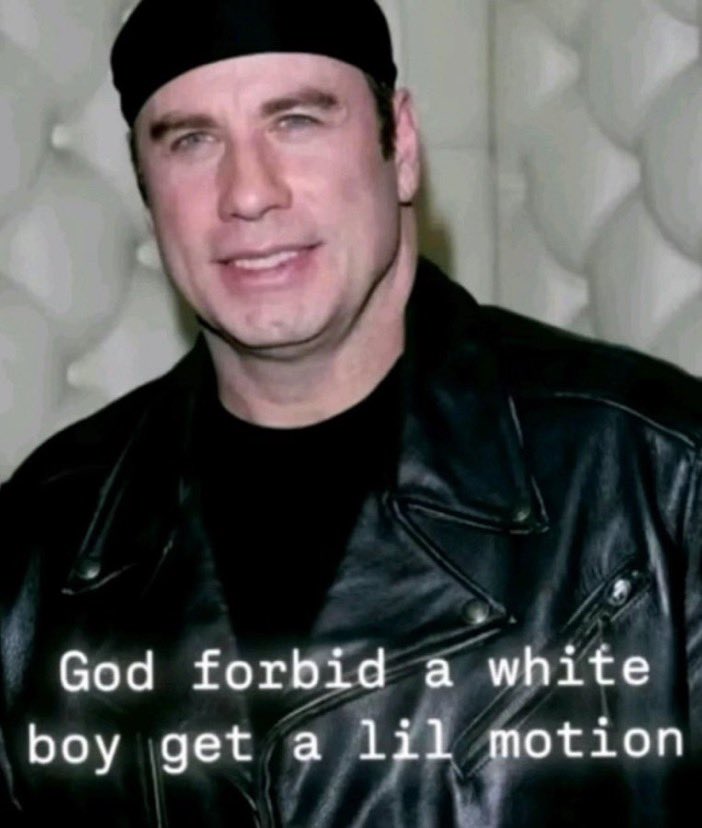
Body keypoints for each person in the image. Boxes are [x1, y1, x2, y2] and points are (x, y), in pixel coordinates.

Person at [1, 0, 701, 825]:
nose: (248, 193)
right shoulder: (47, 533)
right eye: (192, 141)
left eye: (296, 121)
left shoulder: (658, 472)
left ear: (401, 146)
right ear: (148, 192)